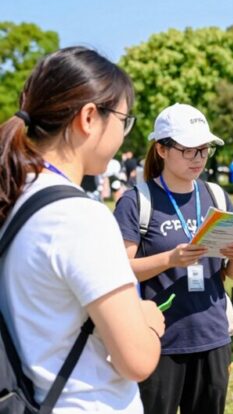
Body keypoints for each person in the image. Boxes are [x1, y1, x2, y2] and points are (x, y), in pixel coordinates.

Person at [0, 46, 164, 412]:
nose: (124, 133)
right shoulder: (79, 217)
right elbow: (136, 360)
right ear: (89, 117)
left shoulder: (15, 194)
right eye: (124, 120)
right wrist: (150, 323)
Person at [113, 103, 233, 414]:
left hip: (213, 336)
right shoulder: (137, 201)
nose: (198, 158)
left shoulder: (216, 195)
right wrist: (170, 259)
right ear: (161, 149)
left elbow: (232, 273)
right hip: (159, 340)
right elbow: (120, 272)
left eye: (204, 150)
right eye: (189, 150)